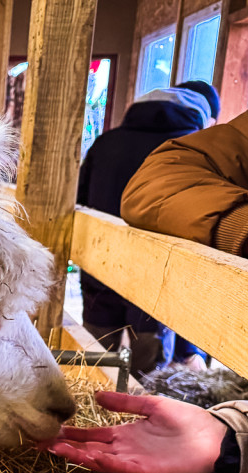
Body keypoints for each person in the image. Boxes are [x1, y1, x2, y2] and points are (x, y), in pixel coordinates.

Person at [41, 80, 248, 473]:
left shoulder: (110, 140)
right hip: (155, 277)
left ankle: (131, 373)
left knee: (107, 330)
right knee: (151, 334)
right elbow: (154, 187)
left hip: (110, 264)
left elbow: (86, 194)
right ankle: (154, 374)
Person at [78, 81, 217, 375]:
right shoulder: (194, 149)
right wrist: (188, 348)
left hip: (98, 267)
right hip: (157, 280)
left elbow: (79, 201)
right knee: (149, 370)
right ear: (206, 115)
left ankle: (95, 398)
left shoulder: (106, 143)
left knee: (95, 357)